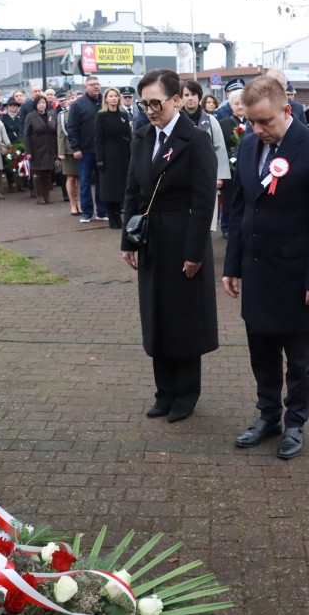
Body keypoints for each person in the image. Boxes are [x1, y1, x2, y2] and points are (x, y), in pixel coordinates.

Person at [222, 76, 309, 460]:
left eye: (265, 122)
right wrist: (232, 265)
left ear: (286, 111)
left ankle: (295, 423)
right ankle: (268, 415)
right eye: (251, 122)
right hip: (257, 272)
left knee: (298, 359)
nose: (258, 129)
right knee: (261, 352)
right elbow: (240, 208)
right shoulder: (248, 144)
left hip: (296, 276)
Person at [120, 68, 219, 424]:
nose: (149, 110)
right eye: (143, 104)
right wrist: (127, 241)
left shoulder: (196, 140)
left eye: (155, 103)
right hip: (151, 238)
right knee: (156, 314)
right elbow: (132, 192)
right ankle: (164, 392)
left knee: (183, 317)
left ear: (176, 100)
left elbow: (204, 202)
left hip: (182, 237)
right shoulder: (142, 137)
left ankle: (186, 393)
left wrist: (194, 252)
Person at [181, 79, 230, 232]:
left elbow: (219, 148)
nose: (190, 98)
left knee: (204, 218)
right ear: (180, 97)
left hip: (205, 175)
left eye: (193, 94)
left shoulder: (210, 120)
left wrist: (219, 176)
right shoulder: (175, 120)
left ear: (199, 96)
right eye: (186, 95)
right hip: (181, 174)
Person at [67, 76, 106, 222]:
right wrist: (75, 148)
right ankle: (87, 212)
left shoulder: (105, 102)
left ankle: (102, 211)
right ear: (85, 87)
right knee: (84, 182)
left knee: (102, 182)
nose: (96, 87)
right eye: (92, 84)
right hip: (85, 150)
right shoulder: (78, 104)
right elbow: (72, 127)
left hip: (102, 150)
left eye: (98, 84)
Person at [95, 87, 132, 228]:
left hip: (123, 154)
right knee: (110, 188)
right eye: (111, 96)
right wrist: (99, 158)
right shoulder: (101, 116)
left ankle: (118, 215)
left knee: (121, 187)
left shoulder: (123, 115)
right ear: (106, 99)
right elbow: (98, 139)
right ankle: (112, 217)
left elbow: (128, 135)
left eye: (116, 96)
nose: (114, 98)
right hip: (108, 155)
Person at [217, 89, 246, 239]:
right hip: (229, 168)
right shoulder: (223, 124)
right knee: (228, 199)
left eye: (243, 103)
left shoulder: (253, 122)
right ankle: (227, 227)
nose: (240, 106)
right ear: (230, 105)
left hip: (247, 168)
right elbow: (219, 148)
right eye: (236, 103)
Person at [23, 94, 59, 204]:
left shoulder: (51, 116)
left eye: (43, 103)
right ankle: (39, 195)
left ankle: (47, 195)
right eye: (39, 103)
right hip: (36, 149)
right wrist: (28, 151)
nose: (41, 105)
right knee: (38, 173)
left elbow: (55, 133)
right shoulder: (30, 116)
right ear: (35, 105)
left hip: (49, 148)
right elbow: (26, 134)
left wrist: (56, 151)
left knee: (48, 173)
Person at [57, 92, 81, 215]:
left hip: (81, 149)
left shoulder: (81, 112)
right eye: (69, 98)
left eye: (73, 98)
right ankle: (72, 204)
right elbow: (60, 135)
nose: (71, 100)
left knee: (81, 178)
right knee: (71, 177)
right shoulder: (62, 115)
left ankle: (80, 203)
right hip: (68, 150)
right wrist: (61, 152)